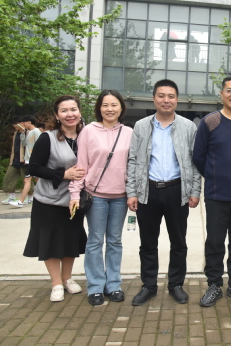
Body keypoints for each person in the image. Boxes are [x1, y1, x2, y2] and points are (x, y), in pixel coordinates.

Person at [126, 79, 201, 306]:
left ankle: (176, 284)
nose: (166, 100)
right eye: (161, 96)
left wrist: (195, 190)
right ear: (154, 99)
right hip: (147, 191)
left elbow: (195, 161)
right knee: (148, 243)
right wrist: (132, 192)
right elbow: (132, 160)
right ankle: (148, 285)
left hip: (177, 190)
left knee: (178, 242)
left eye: (170, 96)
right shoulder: (141, 126)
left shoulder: (188, 127)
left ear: (177, 100)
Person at [192, 76, 231, 307]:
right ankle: (214, 285)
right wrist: (214, 176)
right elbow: (198, 156)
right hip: (217, 195)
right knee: (215, 242)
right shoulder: (210, 121)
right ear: (221, 94)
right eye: (229, 90)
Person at [69, 90, 133, 306]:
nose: (110, 109)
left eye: (114, 105)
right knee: (95, 241)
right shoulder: (88, 131)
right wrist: (74, 193)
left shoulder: (129, 132)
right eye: (105, 105)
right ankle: (95, 286)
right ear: (99, 108)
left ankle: (113, 284)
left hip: (120, 196)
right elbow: (81, 165)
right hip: (95, 196)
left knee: (115, 241)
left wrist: (134, 193)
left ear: (121, 108)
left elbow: (133, 165)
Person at [23, 96, 87, 302]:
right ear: (56, 115)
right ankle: (56, 283)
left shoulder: (86, 136)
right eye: (64, 110)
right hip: (48, 201)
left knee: (70, 239)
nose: (70, 114)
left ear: (80, 112)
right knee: (49, 241)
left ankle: (67, 278)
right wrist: (63, 174)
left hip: (75, 200)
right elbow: (34, 168)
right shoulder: (47, 138)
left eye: (73, 109)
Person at [10, 115, 42, 208]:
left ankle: (21, 201)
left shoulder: (36, 131)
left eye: (24, 122)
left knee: (27, 180)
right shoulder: (28, 132)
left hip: (33, 160)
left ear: (29, 122)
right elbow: (25, 144)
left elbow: (40, 145)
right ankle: (46, 197)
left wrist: (36, 159)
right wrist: (23, 133)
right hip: (29, 160)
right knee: (36, 180)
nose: (23, 124)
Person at [2, 117, 34, 204]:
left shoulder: (29, 132)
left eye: (17, 123)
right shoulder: (15, 133)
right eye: (14, 124)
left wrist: (23, 133)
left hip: (24, 161)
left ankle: (30, 197)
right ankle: (11, 196)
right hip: (15, 160)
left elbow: (27, 145)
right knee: (9, 177)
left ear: (22, 123)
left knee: (26, 180)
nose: (15, 126)